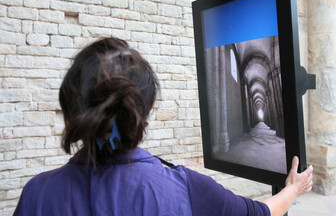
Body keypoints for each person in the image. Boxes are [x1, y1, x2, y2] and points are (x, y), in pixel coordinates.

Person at [14, 38, 313, 216]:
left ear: (72, 111)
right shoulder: (185, 188)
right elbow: (259, 213)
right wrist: (293, 189)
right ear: (148, 109)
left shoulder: (36, 194)